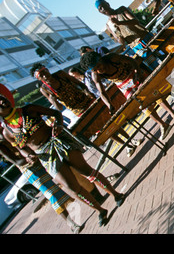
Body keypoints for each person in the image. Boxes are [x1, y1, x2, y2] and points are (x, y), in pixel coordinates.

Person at [0, 84, 125, 227]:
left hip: (58, 143)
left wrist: (58, 125)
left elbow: (56, 114)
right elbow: (21, 147)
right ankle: (100, 210)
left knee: (85, 170)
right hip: (45, 156)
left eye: (2, 98)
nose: (2, 101)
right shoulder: (7, 132)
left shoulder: (29, 109)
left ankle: (116, 194)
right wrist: (28, 155)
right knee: (71, 187)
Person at [31, 63, 141, 157]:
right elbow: (59, 108)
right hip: (78, 110)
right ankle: (126, 145)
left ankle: (131, 139)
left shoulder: (60, 74)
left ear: (47, 70)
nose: (45, 75)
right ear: (39, 79)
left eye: (45, 71)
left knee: (109, 120)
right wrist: (53, 100)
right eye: (42, 75)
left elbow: (80, 84)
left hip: (86, 101)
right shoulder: (44, 89)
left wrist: (88, 92)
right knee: (100, 128)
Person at [80, 51, 174, 140]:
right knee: (141, 105)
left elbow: (132, 61)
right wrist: (109, 105)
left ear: (101, 60)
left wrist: (137, 73)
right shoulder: (95, 75)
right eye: (95, 70)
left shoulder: (112, 58)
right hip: (124, 86)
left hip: (134, 74)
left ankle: (173, 114)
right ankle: (163, 125)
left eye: (98, 66)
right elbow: (102, 92)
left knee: (152, 93)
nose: (98, 70)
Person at [0, 139, 83, 233]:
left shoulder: (12, 132)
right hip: (30, 170)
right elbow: (16, 161)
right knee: (51, 193)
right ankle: (71, 223)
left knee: (65, 176)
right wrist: (29, 158)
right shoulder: (2, 146)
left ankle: (91, 198)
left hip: (39, 159)